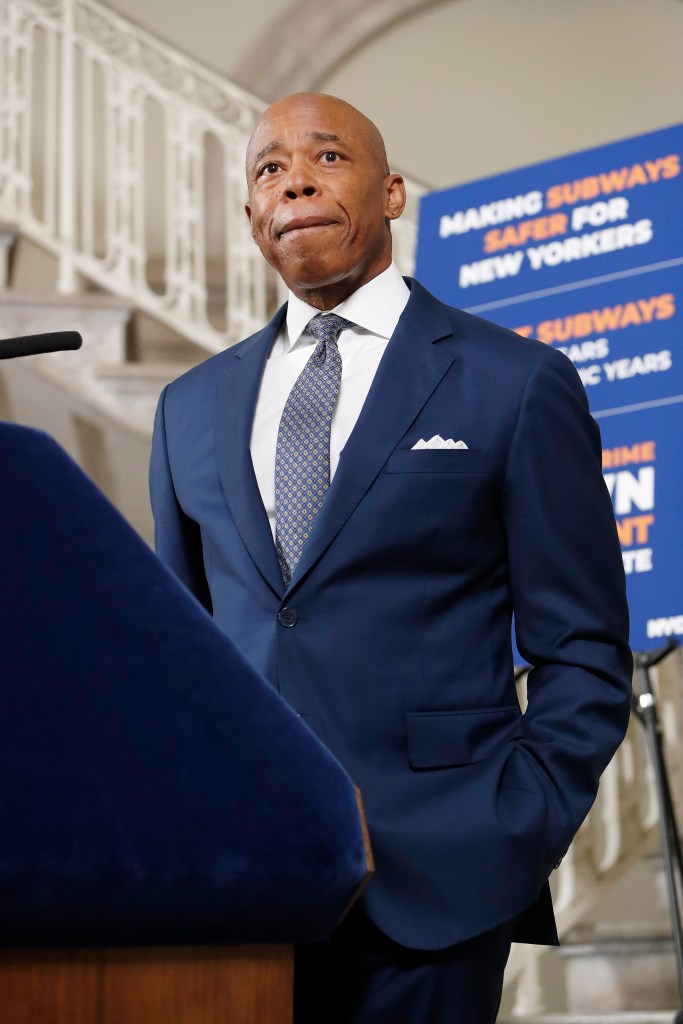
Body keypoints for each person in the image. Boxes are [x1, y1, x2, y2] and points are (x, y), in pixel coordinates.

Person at [150, 92, 632, 1024]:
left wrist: (516, 822)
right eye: (267, 168)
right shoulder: (187, 408)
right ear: (254, 215)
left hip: (441, 885)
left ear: (393, 193)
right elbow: (183, 662)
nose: (292, 177)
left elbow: (582, 647)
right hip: (238, 886)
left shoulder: (515, 382)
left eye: (326, 157)